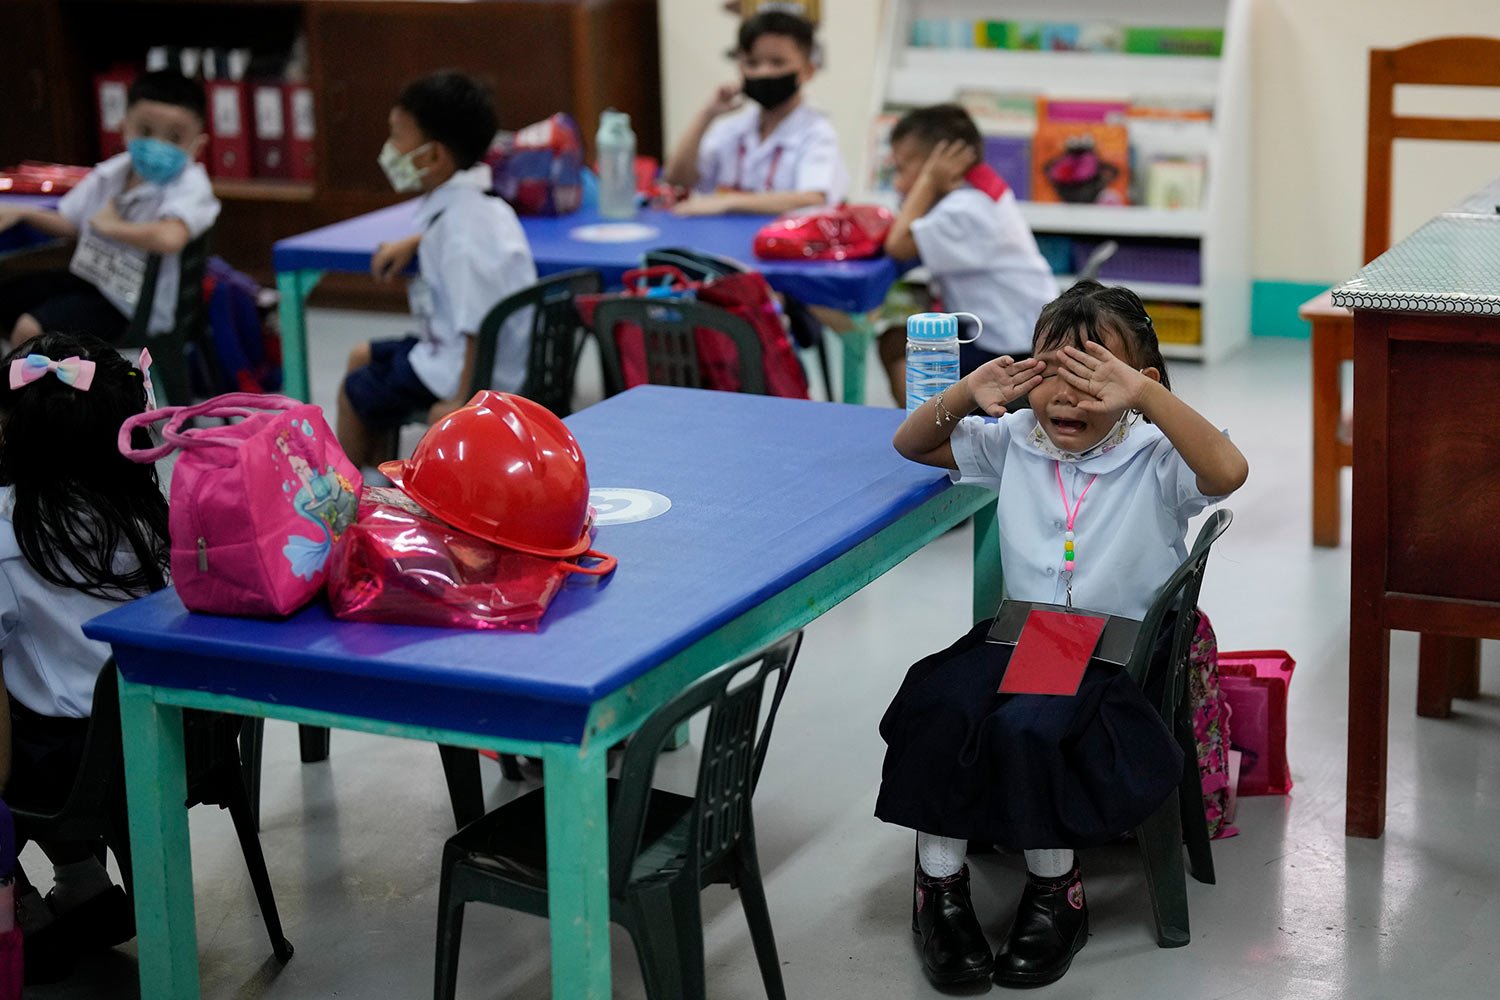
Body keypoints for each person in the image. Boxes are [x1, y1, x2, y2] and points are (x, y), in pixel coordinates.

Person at [878, 281, 1248, 989]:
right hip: (1022, 635)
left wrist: (1146, 400)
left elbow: (1228, 470)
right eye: (1053, 374)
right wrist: (966, 391)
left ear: (1138, 388)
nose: (1068, 399)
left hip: (1114, 651)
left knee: (1027, 726)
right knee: (937, 706)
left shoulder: (1155, 452)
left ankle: (1056, 893)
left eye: (1095, 378)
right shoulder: (1019, 438)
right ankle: (939, 891)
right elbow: (911, 444)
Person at [0, 331, 172, 982]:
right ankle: (83, 884)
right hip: (165, 738)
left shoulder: (8, 529)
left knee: (24, 712)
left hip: (71, 767)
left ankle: (20, 907)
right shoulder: (147, 510)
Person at [337, 70, 537, 472]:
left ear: (433, 156)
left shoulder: (460, 234)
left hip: (469, 371)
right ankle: (382, 473)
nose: (389, 148)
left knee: (353, 392)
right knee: (361, 355)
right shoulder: (479, 207)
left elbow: (475, 325)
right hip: (457, 350)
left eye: (397, 136)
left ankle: (348, 493)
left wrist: (460, 403)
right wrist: (417, 241)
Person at [0, 70, 220, 348]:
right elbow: (72, 221)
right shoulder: (114, 171)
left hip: (133, 304)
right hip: (94, 280)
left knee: (29, 329)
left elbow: (170, 237)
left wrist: (111, 226)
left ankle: (39, 390)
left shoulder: (190, 184)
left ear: (198, 145)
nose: (158, 145)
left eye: (175, 137)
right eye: (146, 131)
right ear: (124, 128)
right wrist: (22, 213)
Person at [879, 104, 1057, 408]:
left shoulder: (965, 210)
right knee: (902, 335)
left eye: (902, 168)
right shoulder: (974, 193)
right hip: (1013, 332)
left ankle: (925, 427)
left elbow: (897, 245)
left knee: (898, 343)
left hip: (1011, 351)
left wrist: (927, 182)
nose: (897, 182)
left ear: (941, 164)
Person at [663, 9, 848, 216]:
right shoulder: (731, 129)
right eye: (752, 63)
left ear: (807, 71)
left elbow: (814, 198)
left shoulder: (816, 133)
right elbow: (678, 179)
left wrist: (729, 202)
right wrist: (707, 114)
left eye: (778, 62)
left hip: (780, 245)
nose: (764, 72)